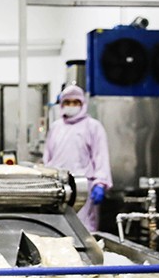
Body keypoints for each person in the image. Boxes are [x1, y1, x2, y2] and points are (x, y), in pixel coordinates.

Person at [43, 84, 113, 232]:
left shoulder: (93, 126)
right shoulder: (56, 127)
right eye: (67, 102)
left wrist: (101, 183)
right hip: (58, 186)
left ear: (82, 104)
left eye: (75, 102)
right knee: (57, 227)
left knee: (83, 229)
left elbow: (101, 156)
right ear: (62, 104)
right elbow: (48, 157)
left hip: (83, 186)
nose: (71, 106)